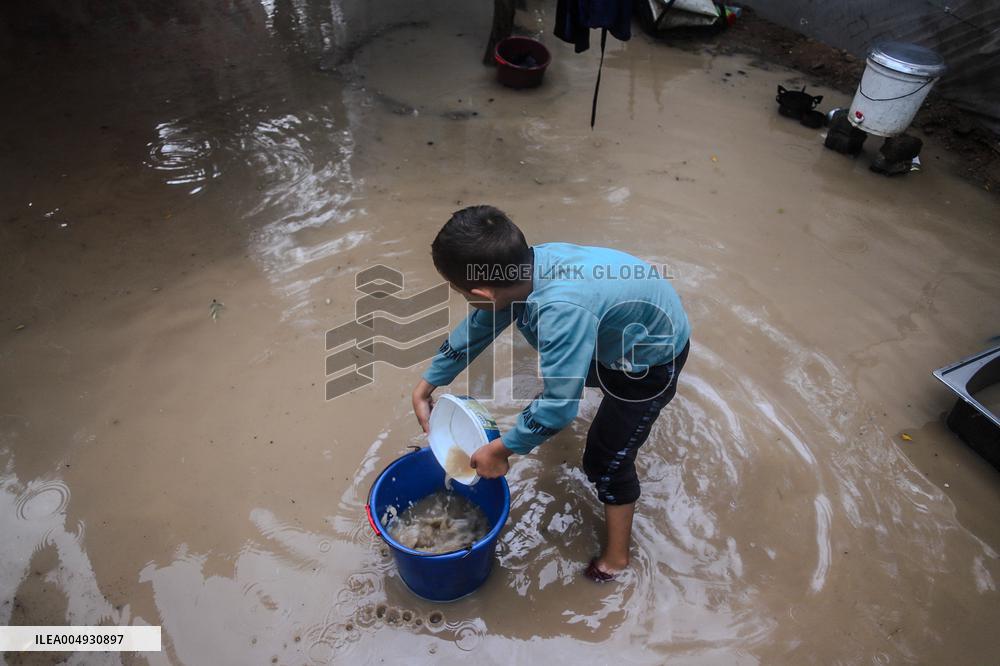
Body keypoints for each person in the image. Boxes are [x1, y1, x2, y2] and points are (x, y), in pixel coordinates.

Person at [411, 205, 690, 581]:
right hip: (612, 332)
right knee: (559, 382)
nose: (466, 299)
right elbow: (481, 325)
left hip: (650, 358)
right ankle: (573, 401)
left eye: (460, 293)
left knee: (604, 460)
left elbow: (558, 408)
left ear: (479, 290)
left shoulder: (561, 310)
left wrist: (499, 450)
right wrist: (429, 383)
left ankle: (617, 558)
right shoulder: (522, 270)